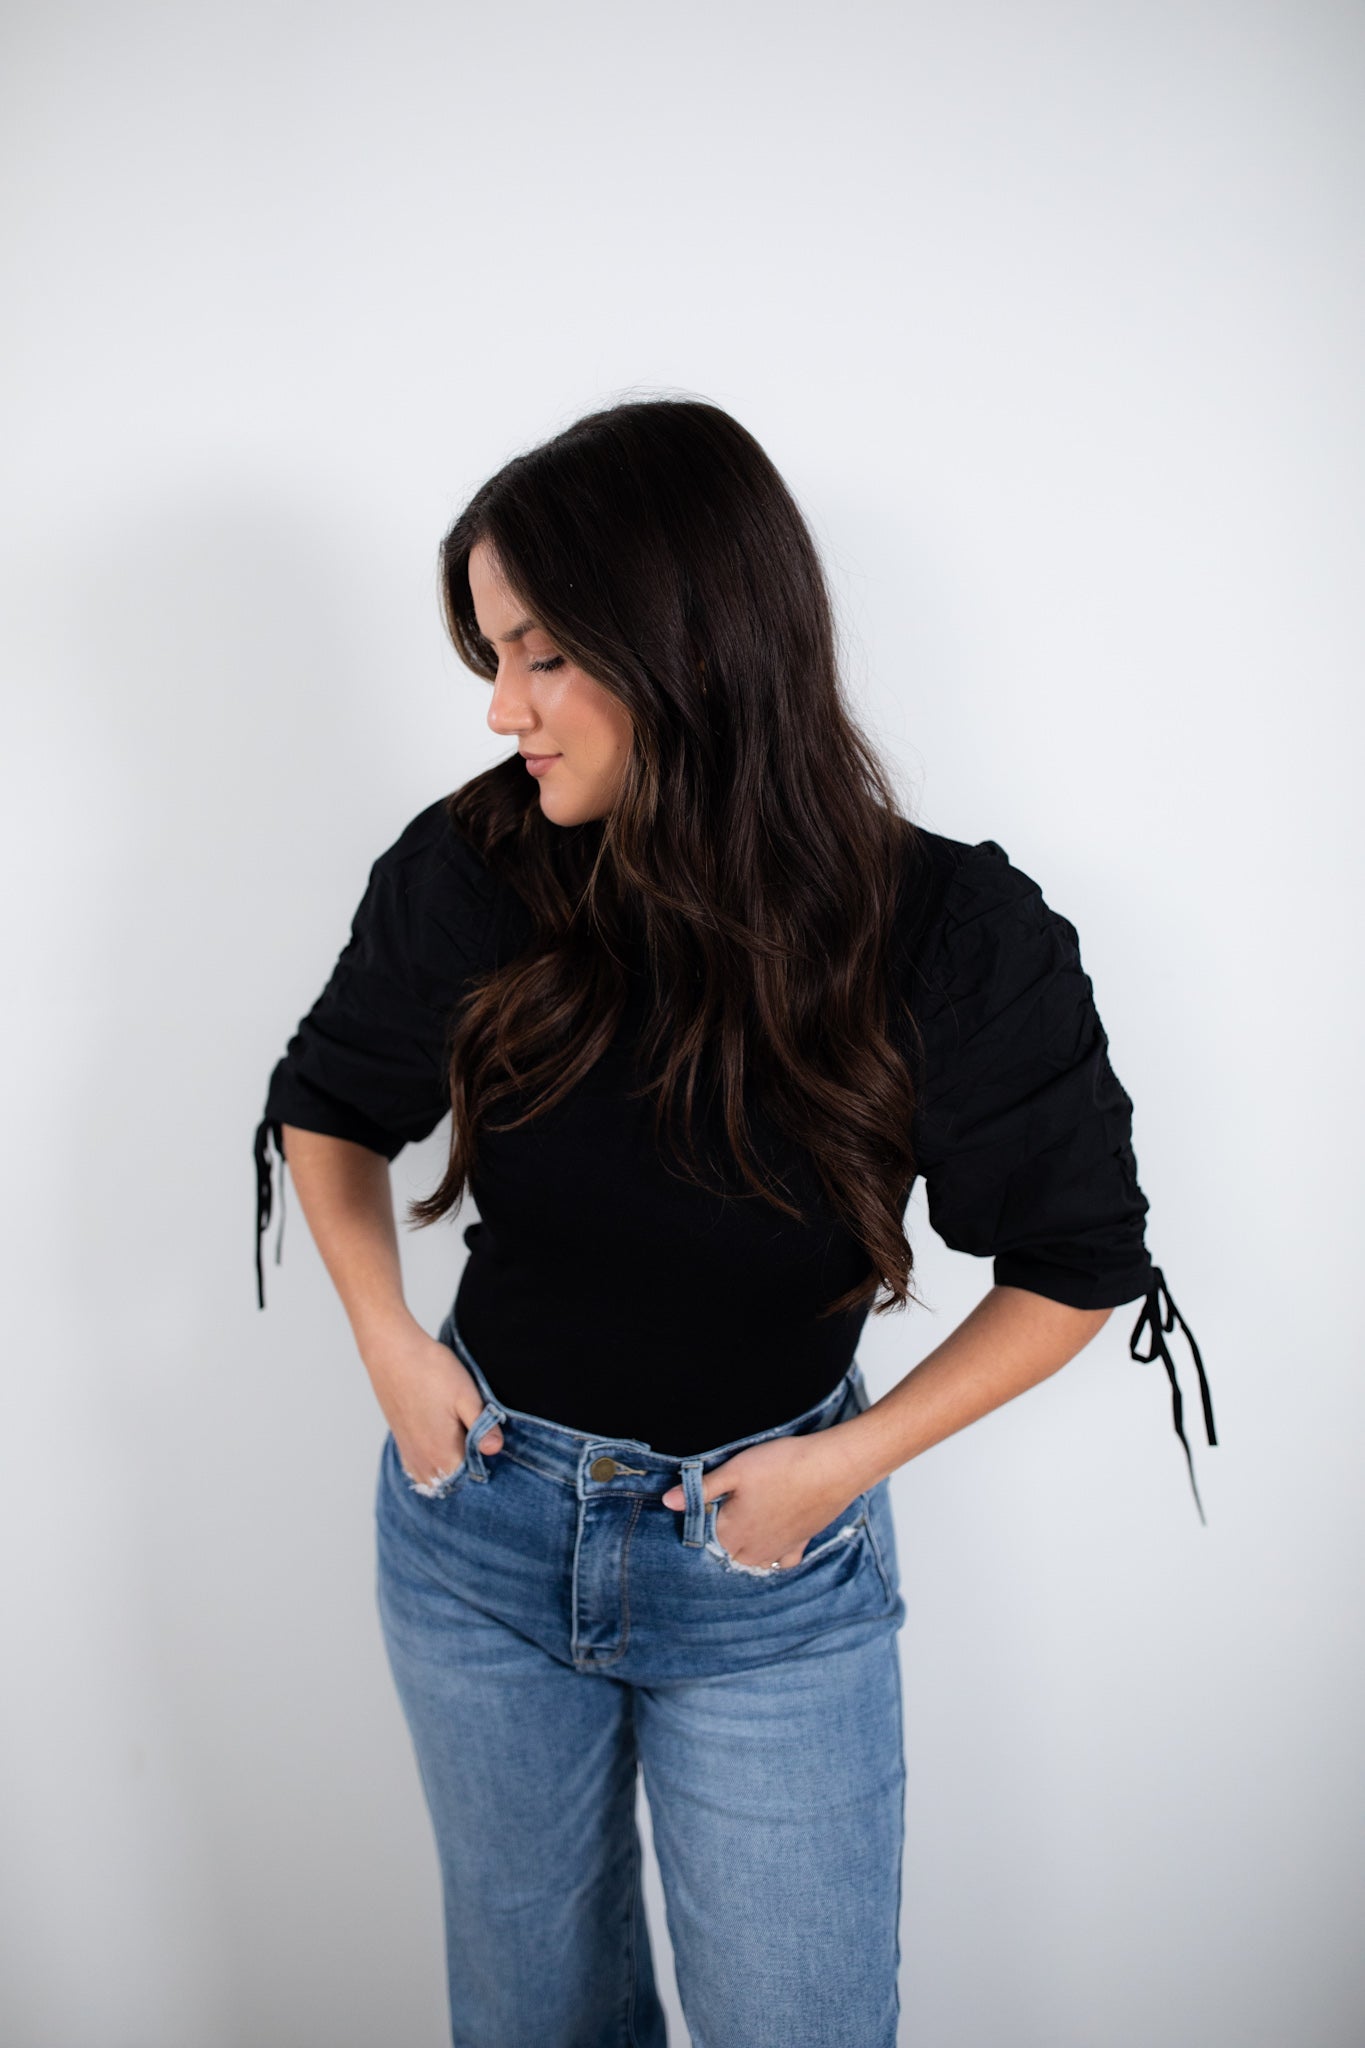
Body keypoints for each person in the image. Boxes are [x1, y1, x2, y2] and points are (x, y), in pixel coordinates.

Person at [252, 397, 1215, 2048]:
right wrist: (387, 1342)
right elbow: (331, 1102)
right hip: (477, 1531)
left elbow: (1073, 1265)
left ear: (685, 645)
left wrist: (845, 1466)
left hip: (766, 1565)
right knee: (533, 2020)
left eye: (544, 655)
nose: (500, 708)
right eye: (492, 655)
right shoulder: (479, 864)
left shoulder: (953, 936)